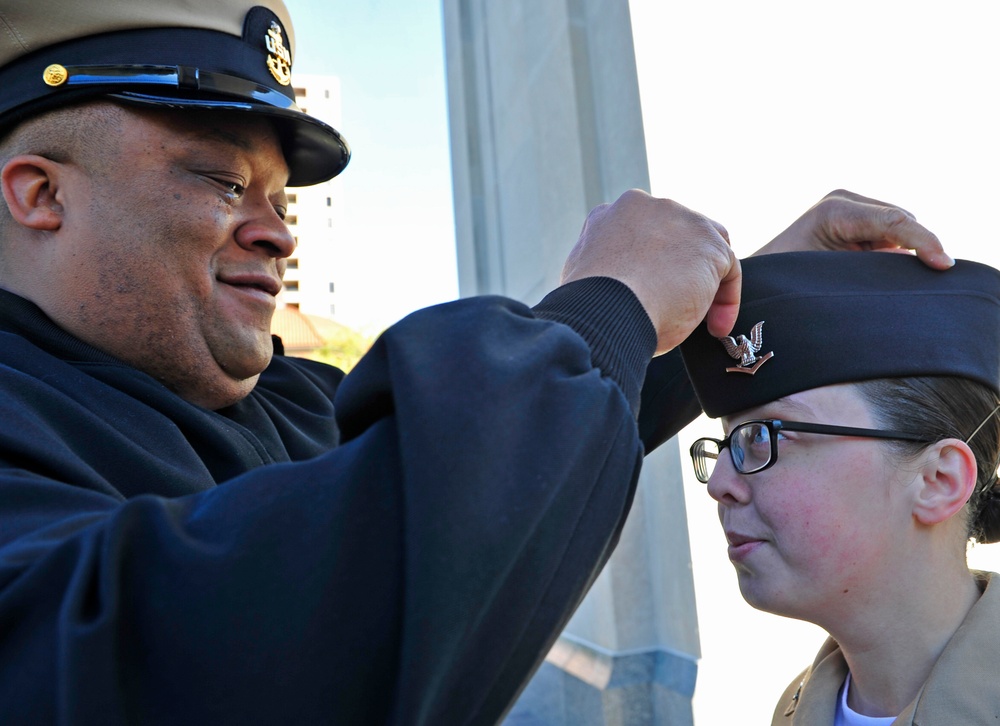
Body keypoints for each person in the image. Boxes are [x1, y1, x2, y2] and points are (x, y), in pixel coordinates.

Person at [0, 0, 950, 723]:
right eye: (220, 181)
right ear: (39, 193)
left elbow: (456, 470)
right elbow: (233, 634)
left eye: (282, 199)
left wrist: (738, 292)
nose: (277, 235)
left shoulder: (275, 402)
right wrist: (606, 306)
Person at [681, 251, 1000, 724]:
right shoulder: (792, 712)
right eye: (728, 443)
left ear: (938, 481)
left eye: (765, 435)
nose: (721, 484)